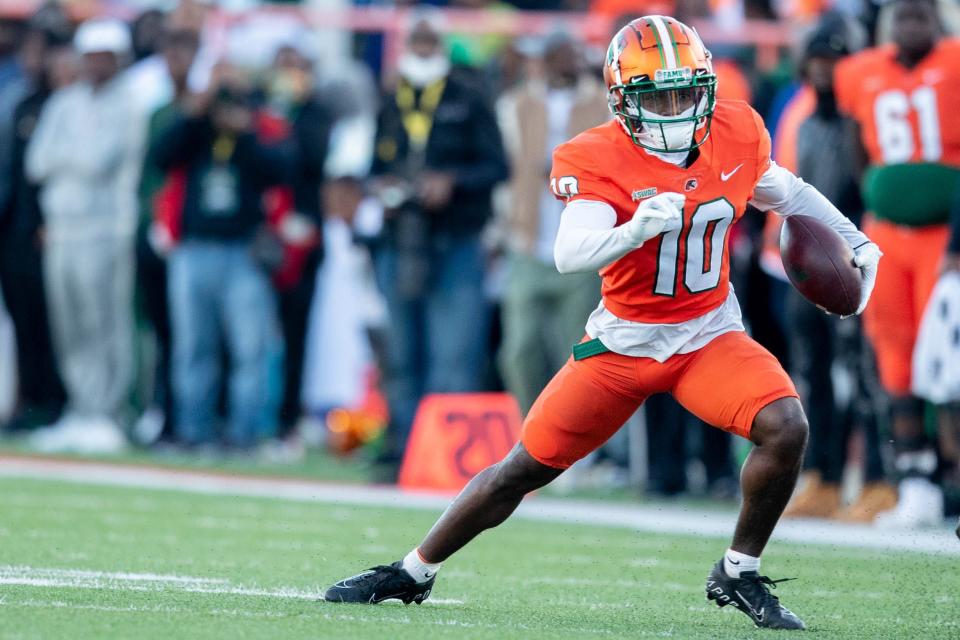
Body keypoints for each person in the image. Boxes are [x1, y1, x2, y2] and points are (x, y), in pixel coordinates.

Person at [324, 16, 881, 630]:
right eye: (656, 97)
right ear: (622, 102)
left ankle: (739, 572)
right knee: (523, 469)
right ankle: (414, 570)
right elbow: (569, 252)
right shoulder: (597, 156)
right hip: (622, 345)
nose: (673, 109)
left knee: (785, 425)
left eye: (684, 92)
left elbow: (786, 191)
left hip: (708, 334)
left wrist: (856, 241)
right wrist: (634, 229)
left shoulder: (736, 130)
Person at [834, 0, 960, 527]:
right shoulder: (860, 72)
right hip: (887, 236)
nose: (911, 26)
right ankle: (916, 484)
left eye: (921, 16)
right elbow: (856, 153)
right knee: (895, 356)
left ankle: (951, 482)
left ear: (938, 21)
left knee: (949, 364)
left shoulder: (955, 61)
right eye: (903, 17)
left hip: (945, 237)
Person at [369, 13, 507, 474]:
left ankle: (449, 460)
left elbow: (496, 167)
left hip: (455, 239)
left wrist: (452, 181)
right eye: (417, 40)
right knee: (401, 352)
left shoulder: (468, 96)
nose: (423, 49)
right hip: (401, 239)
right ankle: (403, 453)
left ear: (443, 46)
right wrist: (380, 188)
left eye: (431, 41)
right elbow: (374, 164)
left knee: (453, 355)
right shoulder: (392, 98)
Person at [782, 17, 894, 521]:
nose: (825, 71)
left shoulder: (863, 121)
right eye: (818, 61)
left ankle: (876, 478)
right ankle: (823, 477)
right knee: (815, 377)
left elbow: (860, 193)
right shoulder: (805, 121)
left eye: (835, 60)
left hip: (855, 263)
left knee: (862, 377)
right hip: (808, 267)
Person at [154, 69, 290, 450]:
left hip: (242, 251)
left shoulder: (256, 134)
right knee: (194, 348)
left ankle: (244, 433)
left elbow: (279, 170)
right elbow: (161, 157)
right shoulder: (197, 132)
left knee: (250, 349)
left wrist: (245, 132)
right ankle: (192, 431)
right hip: (193, 249)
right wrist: (194, 113)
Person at [26, 18, 140, 453]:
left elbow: (100, 160)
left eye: (101, 56)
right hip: (63, 227)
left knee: (103, 321)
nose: (93, 64)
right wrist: (73, 158)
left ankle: (108, 412)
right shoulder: (65, 102)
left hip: (104, 228)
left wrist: (66, 157)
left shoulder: (128, 103)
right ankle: (80, 408)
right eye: (88, 55)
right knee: (68, 321)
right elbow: (37, 162)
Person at [496, 31, 607, 415]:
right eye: (561, 54)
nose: (570, 62)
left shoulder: (603, 105)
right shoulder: (516, 105)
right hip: (528, 241)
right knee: (519, 349)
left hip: (582, 246)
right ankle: (531, 435)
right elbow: (508, 169)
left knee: (578, 351)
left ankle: (577, 441)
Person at [0, 22, 73, 432]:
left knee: (53, 320)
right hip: (12, 228)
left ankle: (54, 401)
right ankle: (29, 401)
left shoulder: (57, 104)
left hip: (47, 229)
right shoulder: (19, 101)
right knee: (22, 317)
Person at [133, 27, 200, 445]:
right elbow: (152, 171)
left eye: (185, 51)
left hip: (192, 235)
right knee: (160, 329)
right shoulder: (158, 111)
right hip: (158, 232)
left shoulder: (205, 108)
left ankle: (187, 419)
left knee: (192, 337)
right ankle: (160, 411)